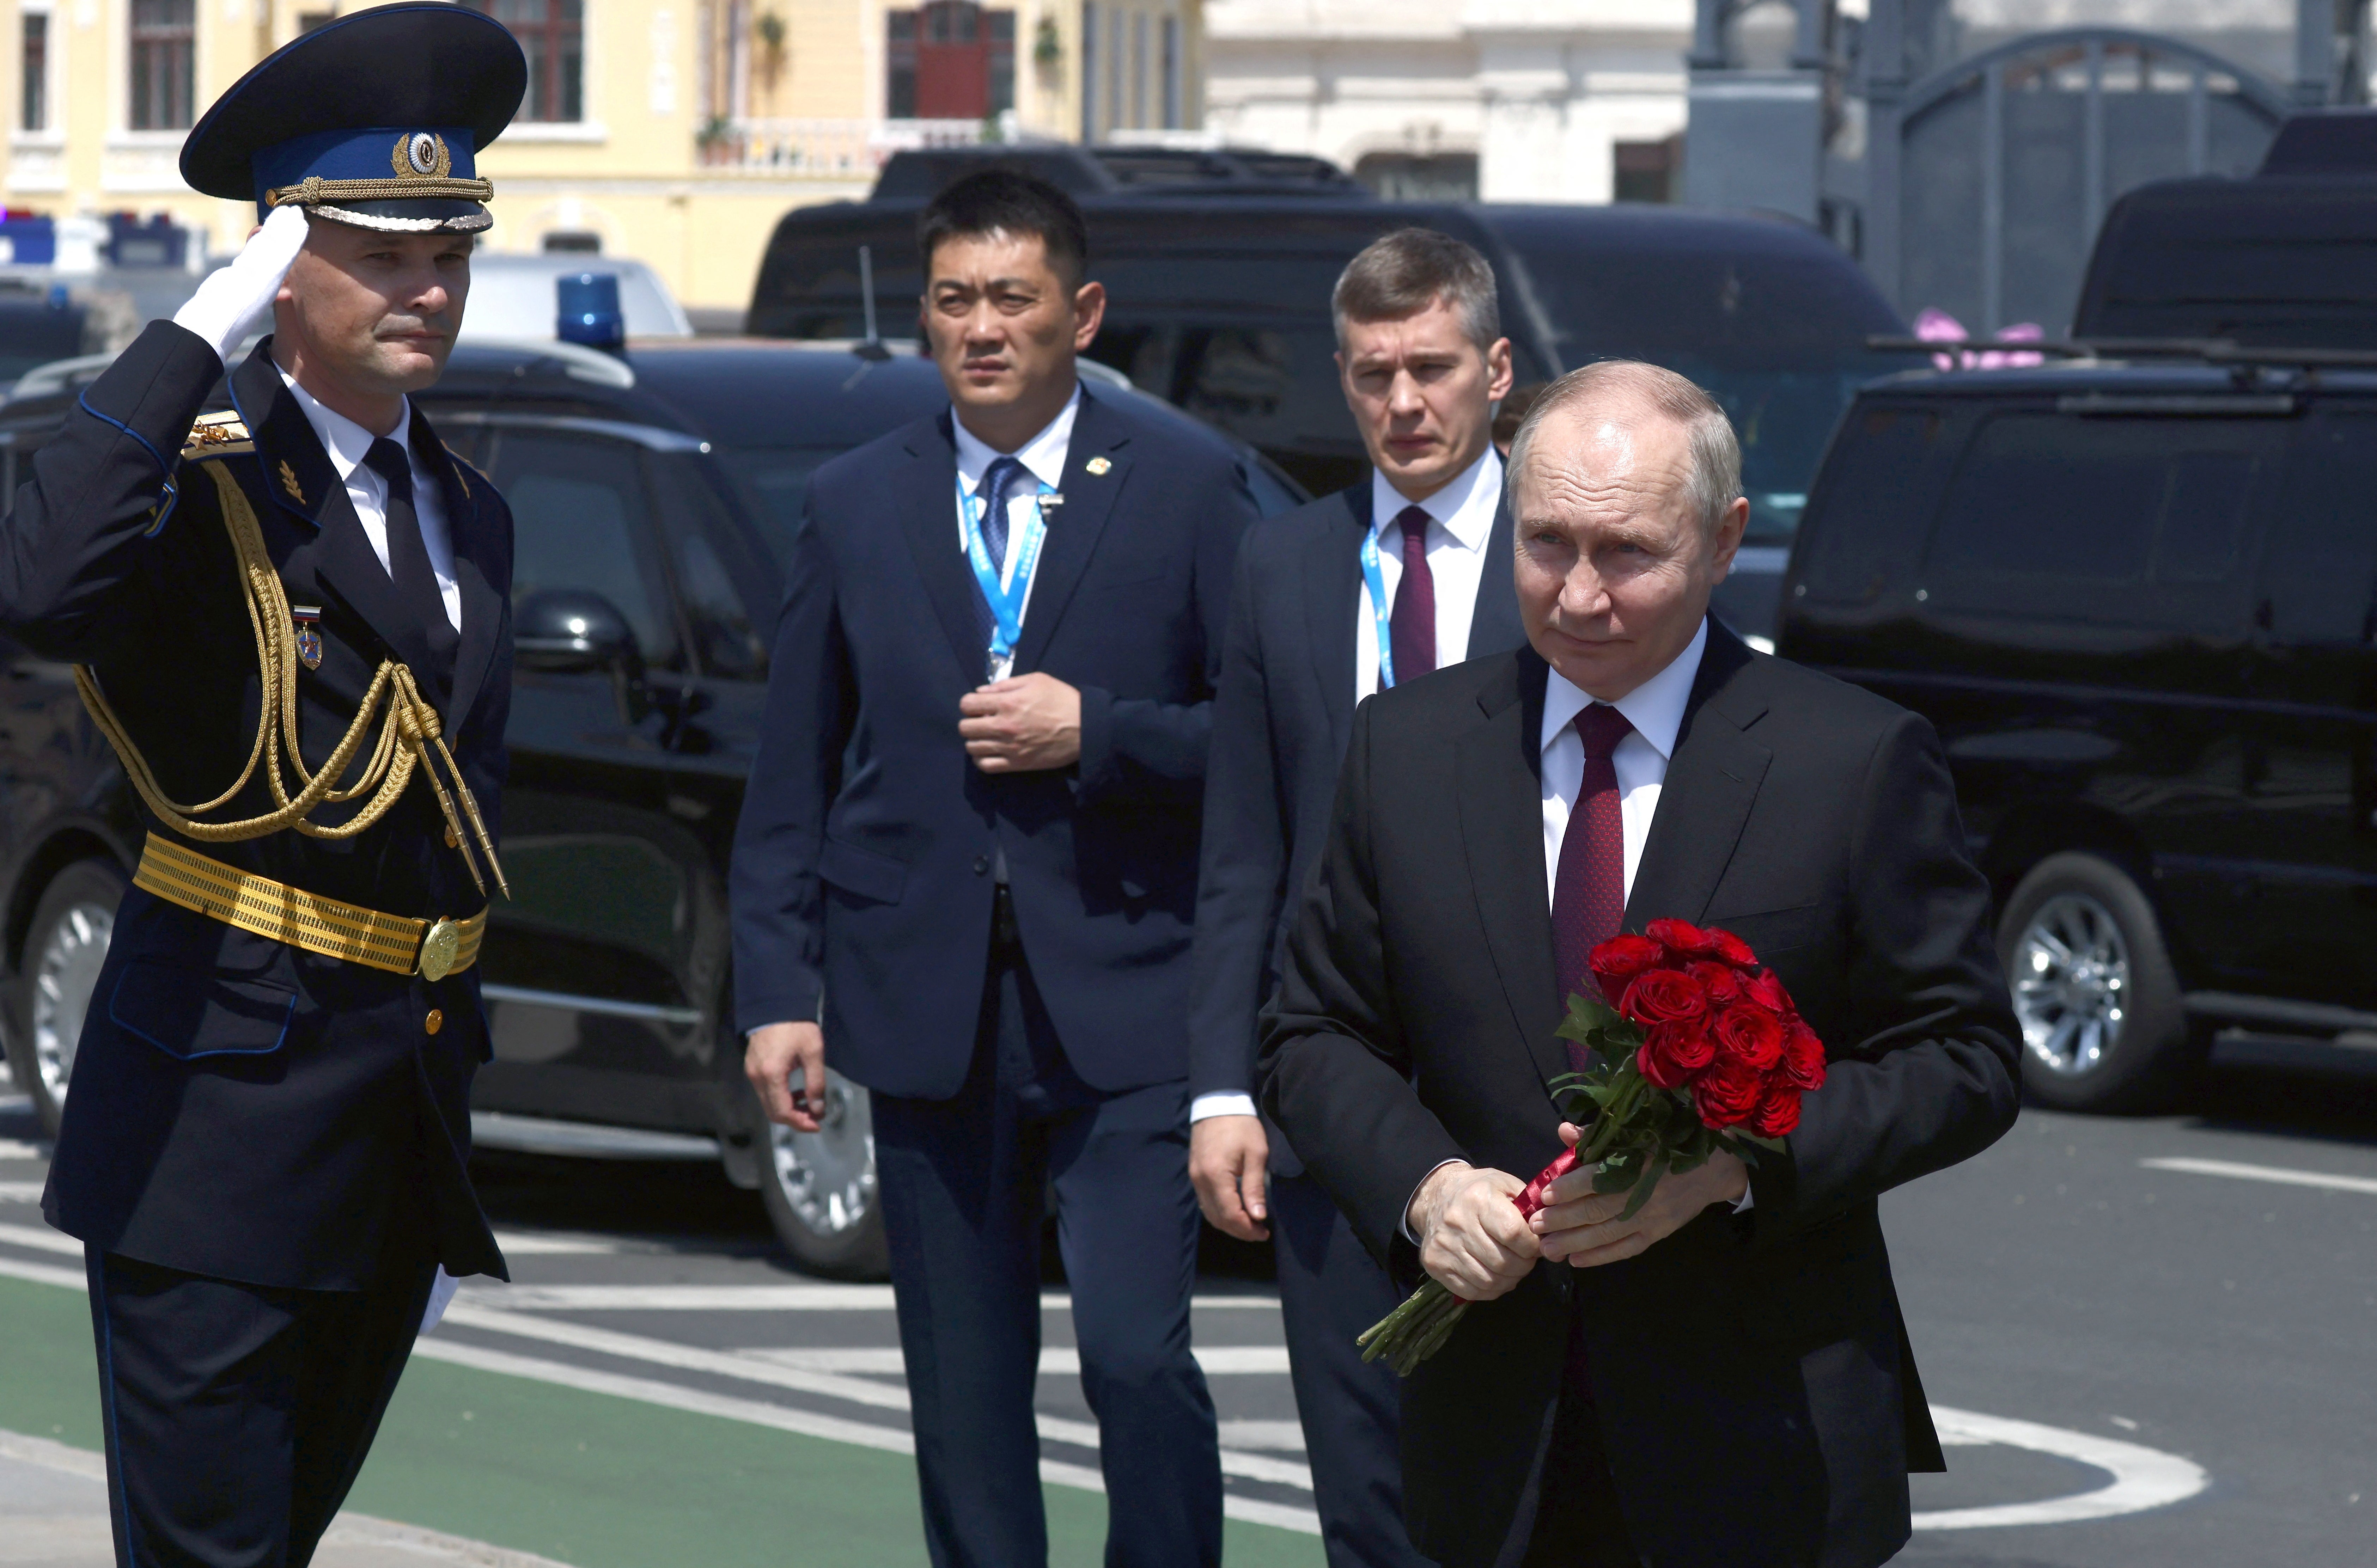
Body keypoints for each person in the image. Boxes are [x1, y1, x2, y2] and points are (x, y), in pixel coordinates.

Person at [1257, 361, 2022, 1568]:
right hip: (1491, 1436)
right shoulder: (1405, 751)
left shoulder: (1851, 759)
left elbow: (1966, 1058)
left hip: (1762, 1428)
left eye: (1626, 552)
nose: (1575, 593)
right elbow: (1315, 1031)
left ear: (1723, 543)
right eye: (1545, 541)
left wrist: (1731, 1164)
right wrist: (1428, 1190)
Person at [12, 7, 527, 1562]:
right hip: (214, 1130)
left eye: (447, 254)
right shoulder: (204, 480)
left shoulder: (472, 507)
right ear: (282, 261)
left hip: (391, 1130)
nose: (425, 289)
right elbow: (37, 587)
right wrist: (189, 339)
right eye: (379, 252)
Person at [731, 170, 1259, 1568]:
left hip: (1130, 1001)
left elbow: (1264, 744)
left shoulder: (1190, 484)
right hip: (927, 1007)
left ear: (1080, 312)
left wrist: (1105, 733)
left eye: (1013, 299)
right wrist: (777, 986)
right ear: (925, 318)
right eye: (955, 299)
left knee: (1139, 1359)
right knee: (963, 1394)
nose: (983, 328)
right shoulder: (856, 499)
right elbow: (792, 766)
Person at [1187, 228, 1524, 1568]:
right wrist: (1223, 1088)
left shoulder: (1564, 565)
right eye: (1374, 373)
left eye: (1432, 369)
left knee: (1518, 1490)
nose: (1404, 404)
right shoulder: (1288, 564)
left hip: (1518, 1109)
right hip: (1332, 1098)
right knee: (1364, 1498)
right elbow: (1242, 849)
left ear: (1497, 371)